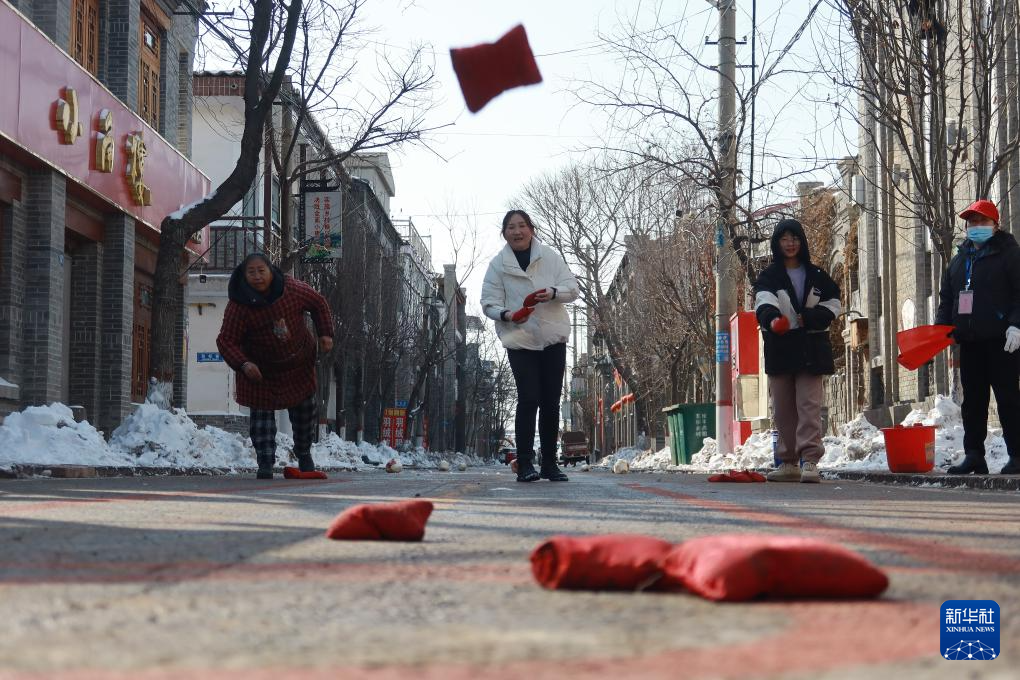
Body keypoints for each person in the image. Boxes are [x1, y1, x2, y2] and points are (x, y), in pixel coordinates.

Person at [481, 210, 580, 482]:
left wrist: (553, 293)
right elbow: (489, 302)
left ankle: (549, 463)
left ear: (531, 229)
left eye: (522, 225)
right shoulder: (497, 266)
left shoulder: (549, 257)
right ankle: (524, 463)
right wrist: (508, 315)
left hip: (552, 337)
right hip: (519, 338)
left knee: (551, 402)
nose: (517, 231)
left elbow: (572, 288)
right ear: (504, 233)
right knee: (528, 398)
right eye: (511, 227)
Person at [216, 253, 334, 479]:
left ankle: (304, 453)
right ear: (244, 275)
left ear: (271, 271)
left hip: (298, 364)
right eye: (251, 272)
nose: (257, 276)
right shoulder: (238, 304)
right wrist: (244, 364)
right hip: (260, 371)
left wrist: (326, 333)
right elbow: (226, 341)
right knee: (261, 421)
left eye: (261, 271)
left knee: (305, 414)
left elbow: (318, 303)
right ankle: (265, 461)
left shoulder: (291, 288)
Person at [935, 199, 1020, 475]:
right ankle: (974, 455)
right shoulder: (959, 260)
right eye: (972, 222)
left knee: (1008, 399)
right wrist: (941, 330)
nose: (976, 226)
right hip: (970, 342)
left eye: (983, 221)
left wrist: (1016, 325)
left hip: (1003, 341)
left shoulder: (1010, 254)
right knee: (972, 403)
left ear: (996, 224)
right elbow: (947, 298)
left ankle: (1017, 455)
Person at [753, 218, 841, 483]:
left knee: (808, 406)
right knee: (782, 410)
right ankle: (788, 462)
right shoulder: (769, 277)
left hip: (810, 349)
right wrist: (773, 320)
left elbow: (834, 303)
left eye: (794, 238)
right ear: (776, 243)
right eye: (784, 239)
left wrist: (811, 317)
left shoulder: (817, 275)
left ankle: (810, 461)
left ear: (801, 242)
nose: (790, 244)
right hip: (780, 348)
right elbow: (763, 303)